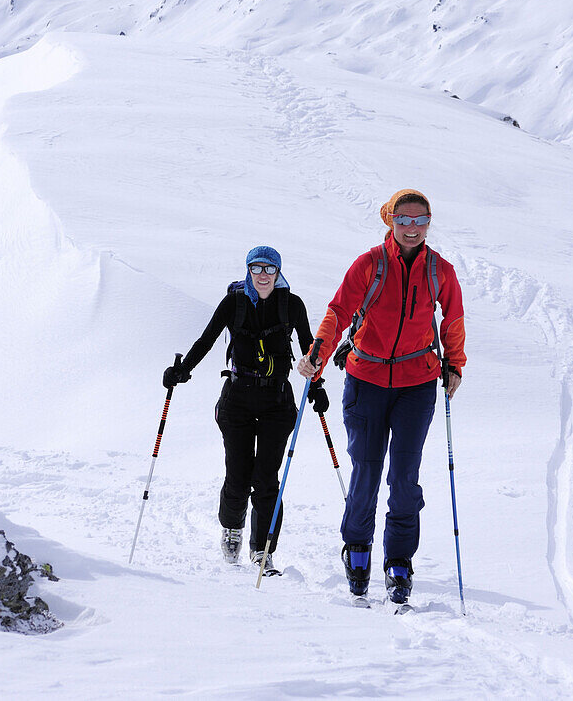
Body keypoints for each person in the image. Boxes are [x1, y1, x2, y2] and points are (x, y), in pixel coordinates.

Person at [298, 189, 466, 604]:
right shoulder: (370, 264)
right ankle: (357, 549)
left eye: (420, 220)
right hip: (366, 380)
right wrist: (316, 356)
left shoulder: (439, 270)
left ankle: (399, 563)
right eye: (403, 220)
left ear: (429, 221)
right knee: (367, 472)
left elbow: (454, 316)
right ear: (390, 220)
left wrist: (455, 364)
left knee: (404, 478)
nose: (412, 229)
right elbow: (338, 312)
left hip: (417, 382)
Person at [163, 244, 327, 575]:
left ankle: (262, 551)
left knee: (266, 480)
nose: (263, 275)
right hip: (237, 398)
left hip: (276, 401)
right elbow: (206, 340)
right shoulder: (233, 303)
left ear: (279, 272)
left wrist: (317, 384)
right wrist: (183, 371)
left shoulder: (291, 305)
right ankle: (232, 528)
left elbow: (310, 347)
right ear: (248, 270)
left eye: (270, 269)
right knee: (237, 476)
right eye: (257, 268)